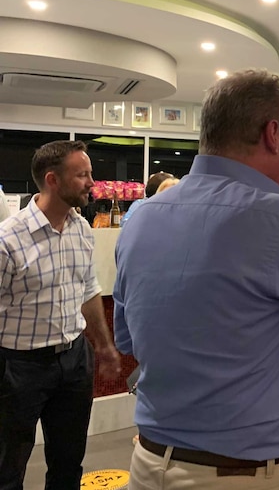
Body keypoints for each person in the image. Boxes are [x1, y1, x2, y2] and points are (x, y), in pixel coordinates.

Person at [113, 69, 279, 490]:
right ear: (273, 134)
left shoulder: (142, 216)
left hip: (149, 463)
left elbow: (128, 340)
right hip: (244, 474)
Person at [0, 140, 122, 489]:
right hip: (17, 368)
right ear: (52, 180)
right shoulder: (8, 240)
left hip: (73, 361)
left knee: (68, 463)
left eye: (90, 173)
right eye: (82, 174)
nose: (91, 182)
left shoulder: (81, 228)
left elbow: (87, 290)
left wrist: (103, 345)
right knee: (9, 467)